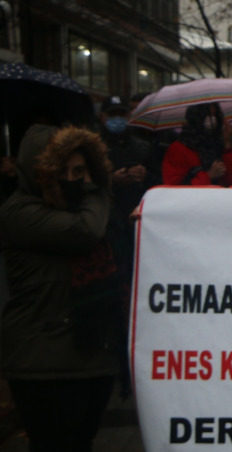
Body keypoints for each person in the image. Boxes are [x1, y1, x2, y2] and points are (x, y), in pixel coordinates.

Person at [0, 125, 124, 451]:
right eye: (61, 172)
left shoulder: (85, 206)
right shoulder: (20, 212)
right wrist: (98, 189)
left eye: (79, 171)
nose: (71, 180)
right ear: (38, 173)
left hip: (91, 355)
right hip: (44, 361)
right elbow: (85, 232)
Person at [162, 102, 232, 186]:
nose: (212, 120)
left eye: (214, 116)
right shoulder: (178, 149)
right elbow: (173, 188)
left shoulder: (220, 145)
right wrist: (208, 176)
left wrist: (227, 143)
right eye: (207, 116)